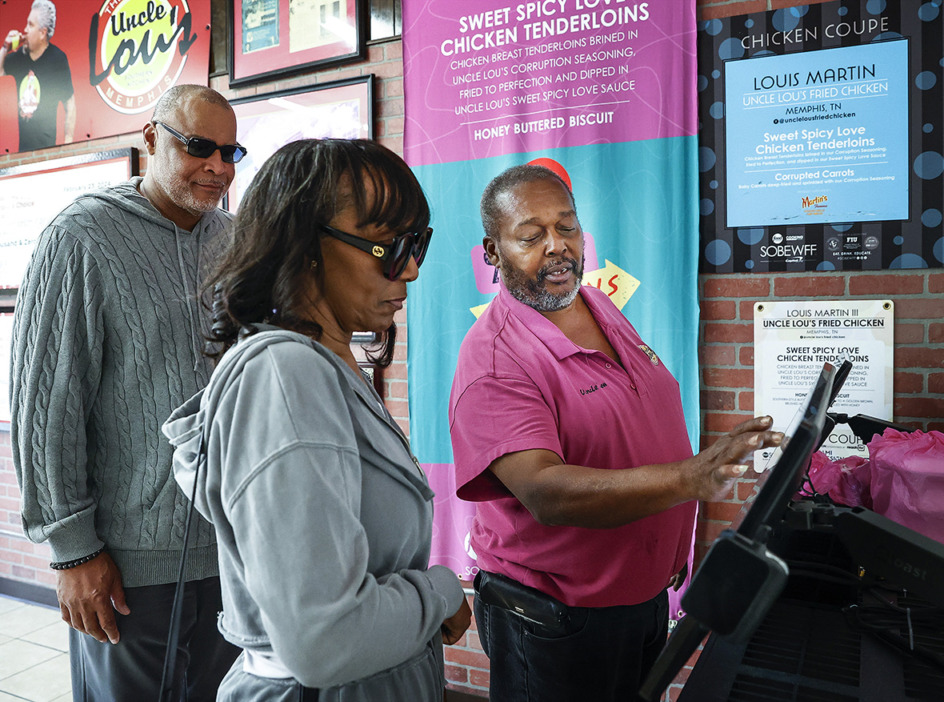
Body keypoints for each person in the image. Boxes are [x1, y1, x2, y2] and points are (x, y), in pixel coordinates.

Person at [448, 164, 783, 702]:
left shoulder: (595, 304)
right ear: (493, 252)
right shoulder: (495, 358)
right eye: (531, 236)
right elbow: (546, 492)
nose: (557, 247)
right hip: (558, 619)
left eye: (568, 227)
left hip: (639, 598)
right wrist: (686, 479)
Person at [161, 138, 472, 701]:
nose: (412, 272)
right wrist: (440, 592)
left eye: (417, 245)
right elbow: (325, 640)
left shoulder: (324, 362)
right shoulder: (286, 375)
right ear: (302, 245)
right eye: (388, 247)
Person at [11, 84, 246, 700]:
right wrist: (71, 551)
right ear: (150, 139)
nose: (218, 167)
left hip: (233, 554)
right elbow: (45, 411)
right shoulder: (81, 238)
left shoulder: (236, 241)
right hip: (126, 569)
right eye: (199, 147)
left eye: (230, 152)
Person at [1, 0, 75, 151]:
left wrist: (68, 144)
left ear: (43, 33)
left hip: (46, 152)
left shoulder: (57, 59)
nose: (25, 30)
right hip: (20, 152)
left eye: (30, 25)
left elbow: (70, 104)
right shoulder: (19, 56)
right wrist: (4, 48)